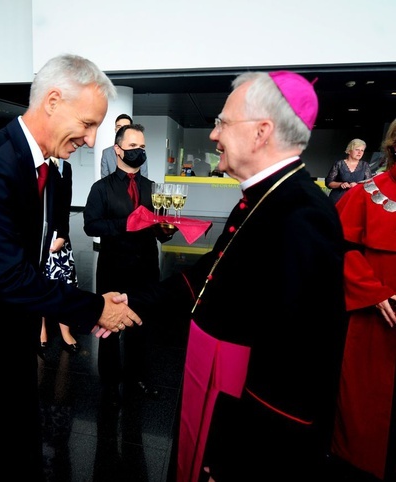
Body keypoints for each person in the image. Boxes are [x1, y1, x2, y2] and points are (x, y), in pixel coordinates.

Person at [0, 53, 143, 480]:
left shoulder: (39, 166)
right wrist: (96, 307)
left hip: (7, 340)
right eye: (87, 123)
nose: (92, 137)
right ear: (53, 101)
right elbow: (8, 276)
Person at [130, 71, 348, 482]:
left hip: (251, 431)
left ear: (261, 132)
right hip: (216, 380)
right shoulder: (263, 196)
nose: (214, 135)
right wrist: (133, 303)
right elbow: (211, 274)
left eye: (223, 122)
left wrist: (240, 451)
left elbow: (299, 360)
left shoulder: (304, 215)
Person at [84, 123, 172, 405]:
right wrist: (127, 224)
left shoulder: (153, 189)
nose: (139, 151)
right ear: (118, 149)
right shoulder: (101, 188)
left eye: (143, 147)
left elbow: (159, 228)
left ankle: (137, 378)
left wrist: (166, 231)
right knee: (109, 327)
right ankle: (109, 383)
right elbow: (90, 225)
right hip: (113, 266)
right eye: (133, 146)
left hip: (146, 267)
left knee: (141, 326)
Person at [330, 118, 396, 481]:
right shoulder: (366, 193)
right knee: (365, 410)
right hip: (375, 319)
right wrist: (373, 290)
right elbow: (338, 247)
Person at [40, 156, 79, 357]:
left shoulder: (65, 166)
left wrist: (63, 234)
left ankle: (65, 330)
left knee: (64, 283)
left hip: (58, 233)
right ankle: (41, 329)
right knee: (39, 283)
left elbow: (66, 202)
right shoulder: (34, 162)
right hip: (37, 235)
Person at [324, 138, 372, 204]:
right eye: (357, 149)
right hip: (337, 199)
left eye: (362, 150)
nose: (360, 153)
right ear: (349, 151)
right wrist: (340, 184)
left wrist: (357, 186)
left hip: (356, 201)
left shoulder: (365, 165)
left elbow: (369, 185)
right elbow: (328, 183)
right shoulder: (339, 164)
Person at [100, 113, 149, 178]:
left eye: (126, 126)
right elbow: (104, 178)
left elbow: (144, 177)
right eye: (119, 127)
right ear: (115, 129)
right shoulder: (106, 153)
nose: (122, 129)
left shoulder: (139, 151)